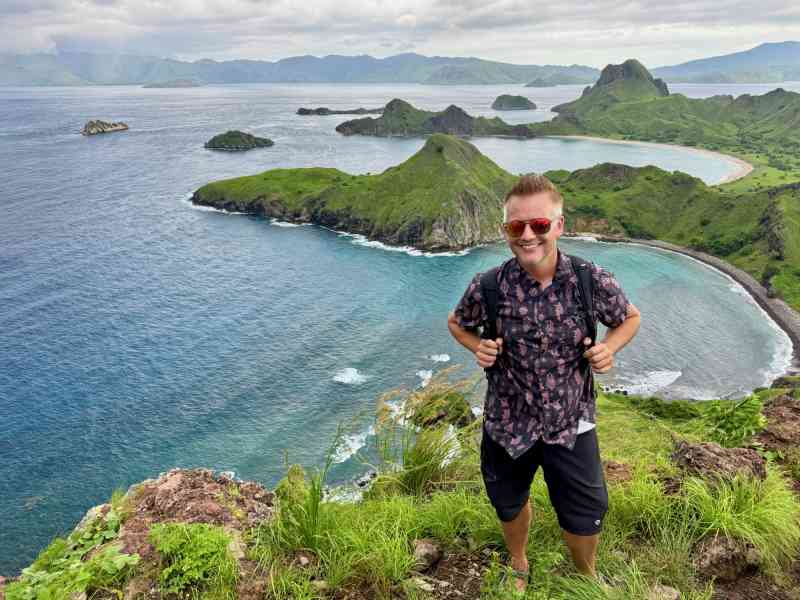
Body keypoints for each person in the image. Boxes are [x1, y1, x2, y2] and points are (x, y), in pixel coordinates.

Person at [447, 174, 641, 593]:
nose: (528, 235)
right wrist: (476, 345)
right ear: (506, 231)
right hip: (506, 421)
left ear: (559, 225)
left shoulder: (589, 280)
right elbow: (457, 323)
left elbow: (629, 317)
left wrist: (610, 348)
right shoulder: (489, 286)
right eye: (517, 227)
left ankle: (585, 574)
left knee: (587, 509)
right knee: (509, 500)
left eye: (539, 224)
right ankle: (518, 561)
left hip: (572, 422)